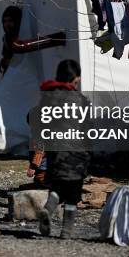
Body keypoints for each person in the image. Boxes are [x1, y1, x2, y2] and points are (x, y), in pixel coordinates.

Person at [37, 59, 91, 239]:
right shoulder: (81, 101)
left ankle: (48, 207)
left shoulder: (47, 98)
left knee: (57, 187)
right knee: (72, 194)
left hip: (55, 153)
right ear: (76, 79)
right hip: (76, 155)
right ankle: (66, 231)